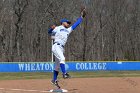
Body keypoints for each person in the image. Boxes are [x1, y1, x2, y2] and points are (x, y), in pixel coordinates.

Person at [48, 8, 86, 89]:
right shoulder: (58, 27)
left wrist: (81, 17)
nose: (68, 23)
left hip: (61, 48)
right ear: (62, 22)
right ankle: (64, 73)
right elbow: (49, 32)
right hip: (56, 46)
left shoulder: (68, 30)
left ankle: (54, 80)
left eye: (69, 23)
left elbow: (76, 24)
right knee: (62, 58)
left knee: (57, 66)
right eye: (67, 22)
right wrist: (51, 28)